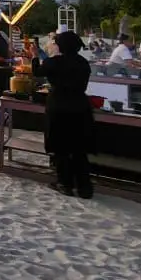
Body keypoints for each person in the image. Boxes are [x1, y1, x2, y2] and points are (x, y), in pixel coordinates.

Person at [26, 31, 94, 198]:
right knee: (79, 148)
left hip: (59, 106)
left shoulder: (54, 62)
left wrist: (34, 56)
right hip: (80, 106)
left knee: (61, 147)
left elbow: (37, 72)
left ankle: (65, 184)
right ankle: (84, 188)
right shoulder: (84, 63)